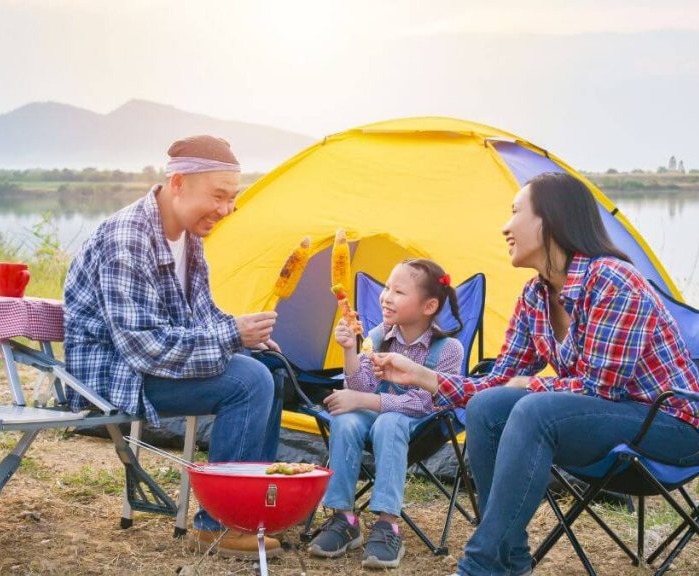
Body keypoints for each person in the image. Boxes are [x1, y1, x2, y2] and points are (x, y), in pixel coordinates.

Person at [371, 172, 699, 575]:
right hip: (608, 422)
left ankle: (480, 565)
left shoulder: (611, 281)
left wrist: (531, 386)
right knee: (488, 406)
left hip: (674, 427)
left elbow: (601, 388)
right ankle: (511, 559)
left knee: (533, 410)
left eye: (515, 212)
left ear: (549, 221)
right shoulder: (535, 297)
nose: (505, 226)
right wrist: (420, 375)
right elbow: (499, 381)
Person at [63, 135, 284, 559]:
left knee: (268, 366)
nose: (226, 210)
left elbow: (202, 315)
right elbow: (143, 347)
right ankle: (220, 521)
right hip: (115, 377)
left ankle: (254, 509)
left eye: (232, 198)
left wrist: (244, 333)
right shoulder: (127, 238)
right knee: (248, 380)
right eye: (218, 196)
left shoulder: (189, 236)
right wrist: (231, 336)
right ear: (179, 183)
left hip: (151, 366)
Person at [309, 259, 464, 569]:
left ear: (428, 306)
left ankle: (387, 524)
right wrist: (349, 350)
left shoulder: (448, 350)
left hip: (422, 427)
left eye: (398, 291)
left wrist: (365, 399)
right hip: (374, 415)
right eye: (386, 288)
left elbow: (424, 403)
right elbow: (361, 384)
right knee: (345, 417)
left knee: (390, 422)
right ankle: (344, 518)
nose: (386, 296)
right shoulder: (379, 335)